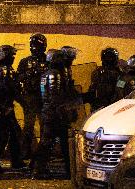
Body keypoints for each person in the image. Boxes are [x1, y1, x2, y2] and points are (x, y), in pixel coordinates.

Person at [32, 49, 77, 179]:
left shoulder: (46, 73)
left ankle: (39, 169)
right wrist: (64, 113)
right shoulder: (55, 74)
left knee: (49, 143)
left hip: (49, 112)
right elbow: (56, 97)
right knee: (57, 143)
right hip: (55, 114)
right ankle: (42, 170)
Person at [0, 45, 26, 170]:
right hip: (5, 108)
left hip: (0, 108)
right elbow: (13, 90)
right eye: (11, 55)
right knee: (9, 135)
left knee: (4, 135)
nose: (13, 58)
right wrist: (23, 102)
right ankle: (3, 162)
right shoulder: (6, 70)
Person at [16, 33, 48, 159]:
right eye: (33, 45)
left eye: (36, 45)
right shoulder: (25, 62)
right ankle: (25, 152)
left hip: (44, 98)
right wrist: (29, 75)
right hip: (30, 98)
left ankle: (43, 153)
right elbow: (18, 78)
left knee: (44, 126)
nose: (34, 47)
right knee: (28, 127)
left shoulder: (48, 61)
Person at [86, 47, 121, 112]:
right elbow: (120, 91)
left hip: (100, 107)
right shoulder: (117, 73)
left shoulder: (96, 72)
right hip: (110, 107)